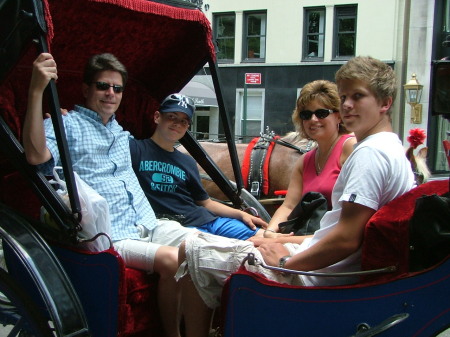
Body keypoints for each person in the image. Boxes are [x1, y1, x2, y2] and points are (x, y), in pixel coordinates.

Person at [176, 56, 416, 337]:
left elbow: (346, 239)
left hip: (322, 273)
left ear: (384, 103)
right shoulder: (390, 146)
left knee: (191, 249)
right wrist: (276, 237)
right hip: (325, 260)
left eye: (358, 96)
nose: (348, 105)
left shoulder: (369, 154)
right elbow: (313, 217)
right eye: (344, 96)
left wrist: (284, 262)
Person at [23, 52, 195, 337]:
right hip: (111, 235)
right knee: (173, 259)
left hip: (147, 224)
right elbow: (36, 157)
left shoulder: (119, 132)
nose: (110, 93)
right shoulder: (67, 124)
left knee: (203, 248)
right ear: (86, 89)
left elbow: (156, 147)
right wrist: (36, 90)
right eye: (103, 86)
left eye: (117, 88)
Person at [130, 93, 268, 240]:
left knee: (266, 236)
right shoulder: (135, 149)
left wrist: (241, 214)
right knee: (251, 244)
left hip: (207, 220)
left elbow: (205, 202)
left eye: (184, 121)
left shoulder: (187, 161)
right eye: (172, 116)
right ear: (157, 117)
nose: (177, 123)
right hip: (177, 228)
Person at [256, 80, 356, 243]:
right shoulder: (305, 160)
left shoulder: (349, 147)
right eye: (306, 114)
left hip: (333, 242)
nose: (313, 119)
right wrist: (270, 231)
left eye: (321, 113)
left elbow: (350, 225)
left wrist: (276, 240)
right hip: (309, 237)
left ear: (338, 115)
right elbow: (288, 206)